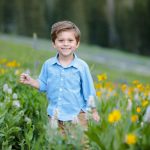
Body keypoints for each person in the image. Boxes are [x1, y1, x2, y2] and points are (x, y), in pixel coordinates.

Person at [20, 21, 100, 132]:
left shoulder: (81, 67)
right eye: (61, 40)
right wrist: (32, 81)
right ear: (54, 43)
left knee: (80, 146)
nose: (65, 44)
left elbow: (89, 91)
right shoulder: (48, 65)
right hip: (54, 117)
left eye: (70, 40)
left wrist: (94, 111)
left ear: (77, 43)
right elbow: (44, 84)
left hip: (77, 116)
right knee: (56, 145)